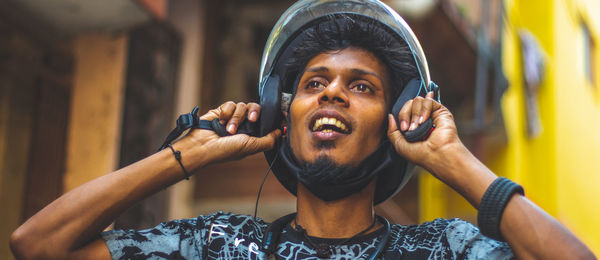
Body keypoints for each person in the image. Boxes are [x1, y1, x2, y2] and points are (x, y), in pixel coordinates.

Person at [10, 0, 595, 259]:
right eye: (314, 83)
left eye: (361, 86)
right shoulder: (219, 246)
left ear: (399, 120)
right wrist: (181, 157)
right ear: (278, 113)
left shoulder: (441, 249)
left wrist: (455, 163)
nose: (333, 93)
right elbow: (38, 245)